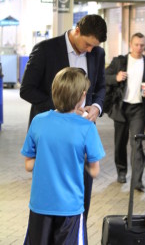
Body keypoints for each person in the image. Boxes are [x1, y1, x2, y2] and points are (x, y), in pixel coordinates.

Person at [20, 14, 107, 220]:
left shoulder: (97, 53)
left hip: (82, 133)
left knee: (82, 197)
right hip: (52, 134)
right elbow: (27, 90)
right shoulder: (45, 49)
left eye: (93, 47)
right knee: (50, 195)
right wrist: (64, 107)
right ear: (77, 30)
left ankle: (77, 235)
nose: (89, 50)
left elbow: (101, 86)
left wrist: (96, 106)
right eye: (87, 44)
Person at [21, 67, 105, 245]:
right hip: (70, 207)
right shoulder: (86, 128)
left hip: (40, 205)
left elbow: (28, 165)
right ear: (83, 96)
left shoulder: (38, 121)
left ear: (54, 91)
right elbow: (95, 170)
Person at [105, 32, 145, 190]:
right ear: (130, 44)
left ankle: (137, 181)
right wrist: (116, 77)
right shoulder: (119, 61)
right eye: (136, 44)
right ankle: (121, 171)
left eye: (142, 45)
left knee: (138, 144)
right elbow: (104, 77)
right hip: (121, 107)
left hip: (139, 109)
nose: (139, 48)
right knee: (120, 143)